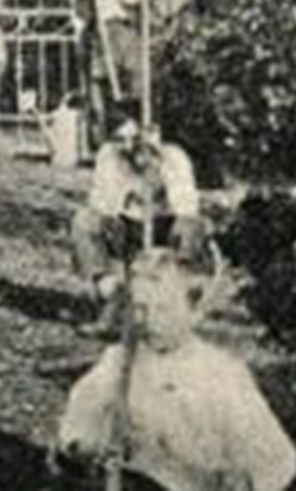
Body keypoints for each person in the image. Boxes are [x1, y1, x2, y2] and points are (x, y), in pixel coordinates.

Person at [57, 250, 296, 491]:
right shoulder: (119, 362)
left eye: (164, 309)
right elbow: (75, 430)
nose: (151, 321)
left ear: (194, 311)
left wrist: (241, 482)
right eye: (141, 308)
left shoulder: (222, 373)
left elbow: (278, 463)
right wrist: (85, 448)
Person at [72, 107, 207, 334]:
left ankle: (179, 304)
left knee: (191, 226)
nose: (127, 146)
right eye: (119, 139)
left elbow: (186, 206)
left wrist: (158, 168)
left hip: (164, 226)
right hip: (128, 227)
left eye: (133, 139)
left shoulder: (174, 156)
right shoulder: (109, 156)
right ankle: (114, 299)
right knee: (85, 221)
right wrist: (127, 180)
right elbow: (102, 204)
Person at [72, 0, 144, 145]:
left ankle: (134, 127)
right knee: (102, 80)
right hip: (98, 30)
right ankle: (106, 133)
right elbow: (77, 1)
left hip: (123, 27)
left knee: (132, 76)